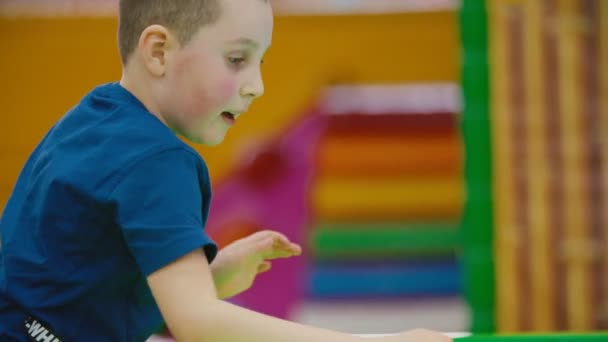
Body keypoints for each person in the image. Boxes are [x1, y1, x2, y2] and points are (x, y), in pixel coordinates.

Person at [0, 0, 453, 341]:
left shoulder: (92, 117)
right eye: (237, 60)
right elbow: (196, 322)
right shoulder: (158, 162)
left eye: (261, 62)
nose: (256, 87)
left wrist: (209, 278)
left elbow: (83, 292)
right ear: (158, 51)